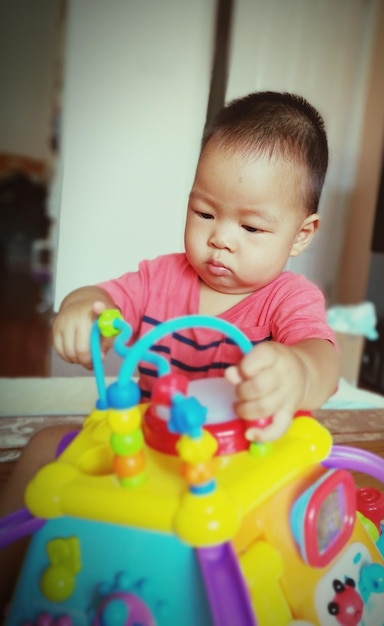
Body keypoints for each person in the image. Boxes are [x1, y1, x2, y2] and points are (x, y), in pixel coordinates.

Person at [0, 91, 339, 606]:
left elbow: (323, 361)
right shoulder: (161, 276)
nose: (221, 238)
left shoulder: (288, 300)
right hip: (147, 452)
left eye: (250, 227)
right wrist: (81, 307)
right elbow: (104, 298)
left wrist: (296, 370)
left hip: (241, 461)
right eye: (204, 212)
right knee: (46, 447)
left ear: (300, 234)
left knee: (300, 509)